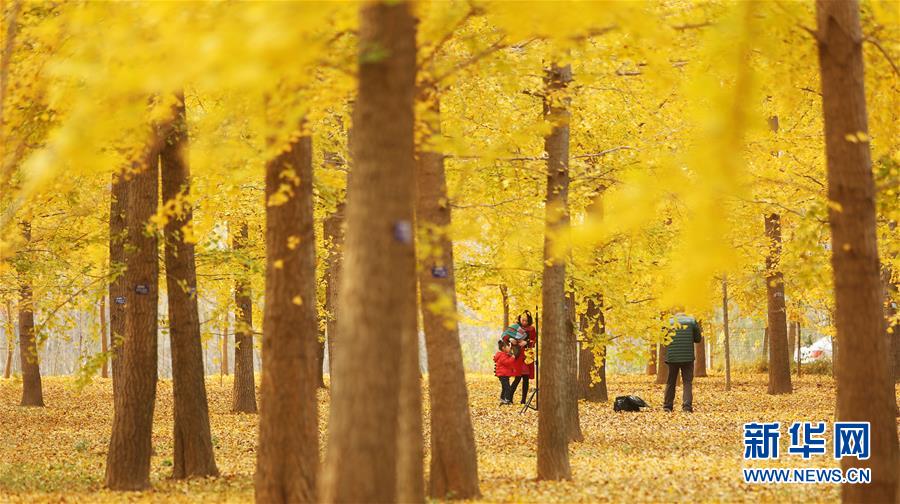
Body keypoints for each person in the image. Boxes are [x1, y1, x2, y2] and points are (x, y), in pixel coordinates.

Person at [662, 308, 702, 412]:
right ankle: (687, 407)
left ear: (675, 312)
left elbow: (664, 339)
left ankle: (667, 407)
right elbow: (698, 339)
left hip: (672, 357)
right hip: (687, 357)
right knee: (687, 382)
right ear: (685, 311)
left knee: (671, 382)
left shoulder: (668, 322)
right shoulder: (692, 321)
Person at [509, 311, 537, 404]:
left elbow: (534, 340)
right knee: (517, 377)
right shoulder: (515, 328)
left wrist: (527, 342)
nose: (524, 322)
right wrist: (510, 339)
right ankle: (509, 398)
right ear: (520, 319)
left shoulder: (532, 329)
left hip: (527, 355)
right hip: (518, 354)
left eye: (526, 320)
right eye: (522, 320)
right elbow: (506, 336)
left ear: (529, 320)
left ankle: (523, 401)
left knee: (525, 378)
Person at [494, 339, 517, 405]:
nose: (510, 347)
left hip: (504, 374)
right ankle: (507, 400)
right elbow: (506, 363)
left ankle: (502, 398)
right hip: (502, 375)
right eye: (508, 346)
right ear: (503, 348)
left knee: (504, 387)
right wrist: (512, 358)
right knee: (508, 388)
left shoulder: (505, 354)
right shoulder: (502, 355)